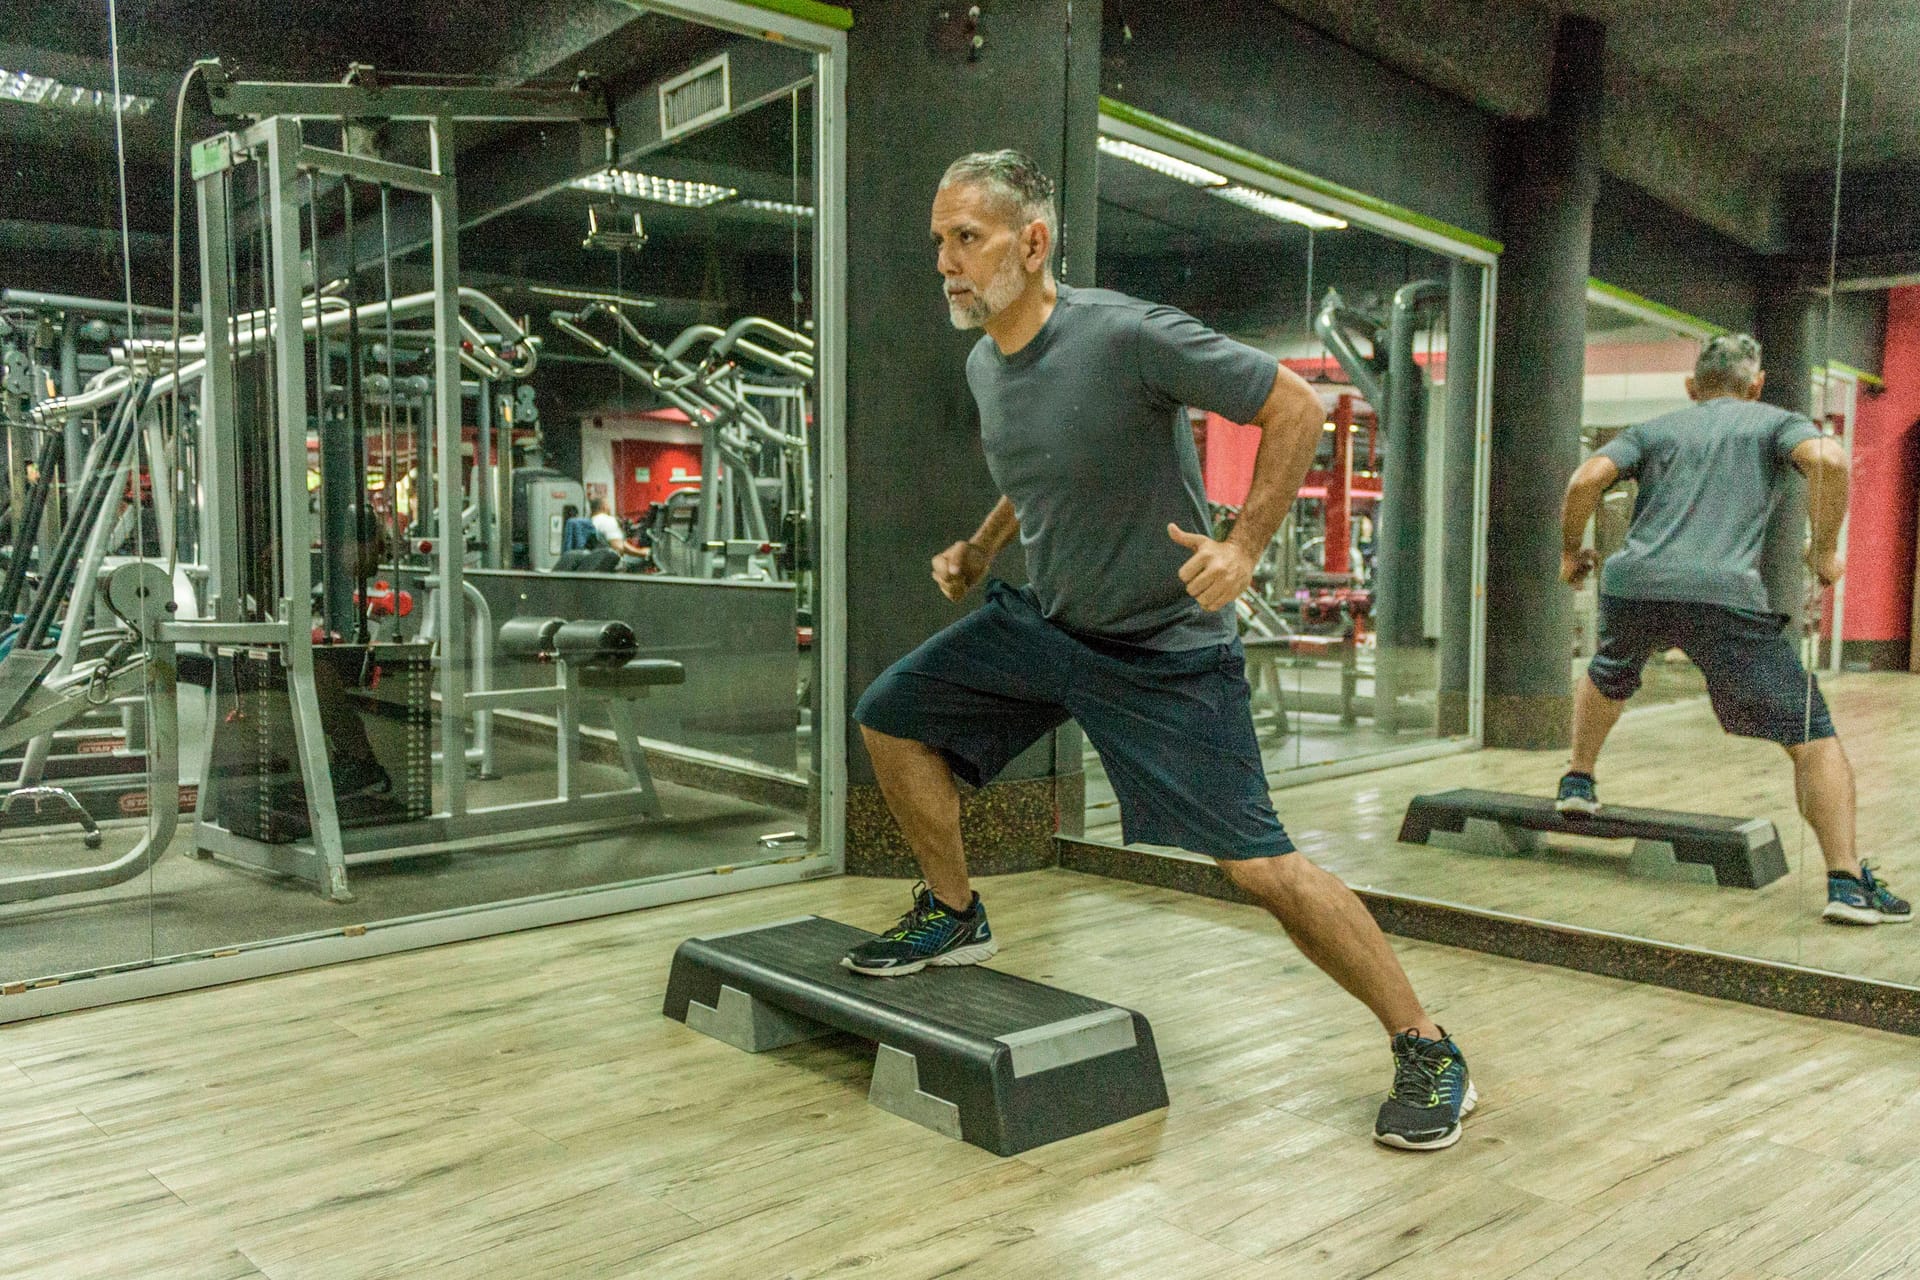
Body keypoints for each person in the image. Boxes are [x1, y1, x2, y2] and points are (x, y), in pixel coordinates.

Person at [845, 149, 1473, 1151]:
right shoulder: (984, 361)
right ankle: (954, 909)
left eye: (967, 238)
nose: (946, 263)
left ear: (1033, 242)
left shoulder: (1128, 334)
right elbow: (1040, 469)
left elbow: (1294, 407)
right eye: (939, 242)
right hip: (1049, 626)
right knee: (889, 714)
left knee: (1263, 868)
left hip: (1164, 649)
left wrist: (1246, 545)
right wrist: (980, 546)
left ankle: (1428, 1043)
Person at [1556, 333, 1909, 926]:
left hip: (1635, 585)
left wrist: (1572, 551)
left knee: (1611, 672)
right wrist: (1822, 553)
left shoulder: (1655, 429)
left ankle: (1578, 779)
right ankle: (1846, 882)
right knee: (1812, 735)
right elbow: (1828, 460)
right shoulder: (1776, 422)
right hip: (1721, 595)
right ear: (1757, 384)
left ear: (1692, 387)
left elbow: (1584, 480)